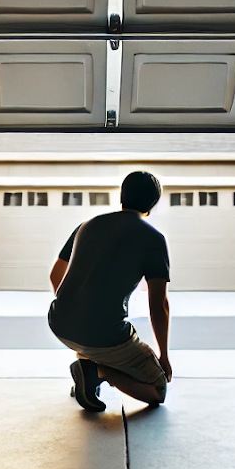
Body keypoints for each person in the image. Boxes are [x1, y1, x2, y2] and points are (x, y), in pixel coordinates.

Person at [48, 170, 172, 412]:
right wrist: (164, 357)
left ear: (122, 196)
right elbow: (158, 306)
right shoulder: (153, 239)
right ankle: (97, 371)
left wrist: (76, 313)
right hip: (105, 336)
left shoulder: (87, 226)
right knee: (158, 390)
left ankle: (87, 364)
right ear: (152, 204)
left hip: (59, 324)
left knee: (94, 342)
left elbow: (56, 275)